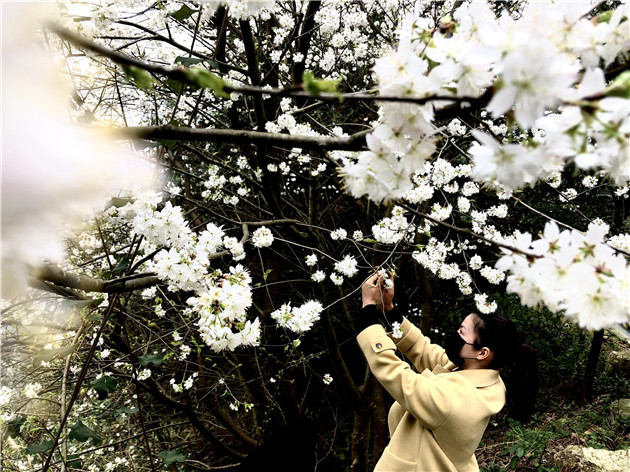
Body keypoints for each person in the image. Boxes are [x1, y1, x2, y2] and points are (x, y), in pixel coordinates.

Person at [355, 273, 538, 471]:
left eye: (461, 331)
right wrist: (389, 310)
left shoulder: (454, 399)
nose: (456, 334)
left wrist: (368, 313)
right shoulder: (483, 376)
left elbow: (396, 374)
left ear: (483, 352)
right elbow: (423, 350)